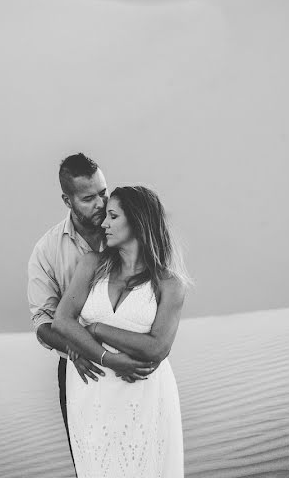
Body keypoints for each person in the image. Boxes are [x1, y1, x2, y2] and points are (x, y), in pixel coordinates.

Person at [27, 154, 155, 472]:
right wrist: (76, 346)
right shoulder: (46, 251)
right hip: (80, 369)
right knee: (91, 463)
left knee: (139, 459)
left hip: (132, 366)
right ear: (66, 200)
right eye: (88, 198)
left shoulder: (129, 232)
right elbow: (43, 321)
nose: (100, 203)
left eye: (103, 192)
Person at [54, 185, 189, 478]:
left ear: (138, 222)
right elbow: (62, 321)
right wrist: (106, 357)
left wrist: (96, 328)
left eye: (113, 216)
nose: (104, 223)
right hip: (91, 393)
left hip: (144, 396)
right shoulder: (93, 264)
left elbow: (157, 348)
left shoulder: (170, 284)